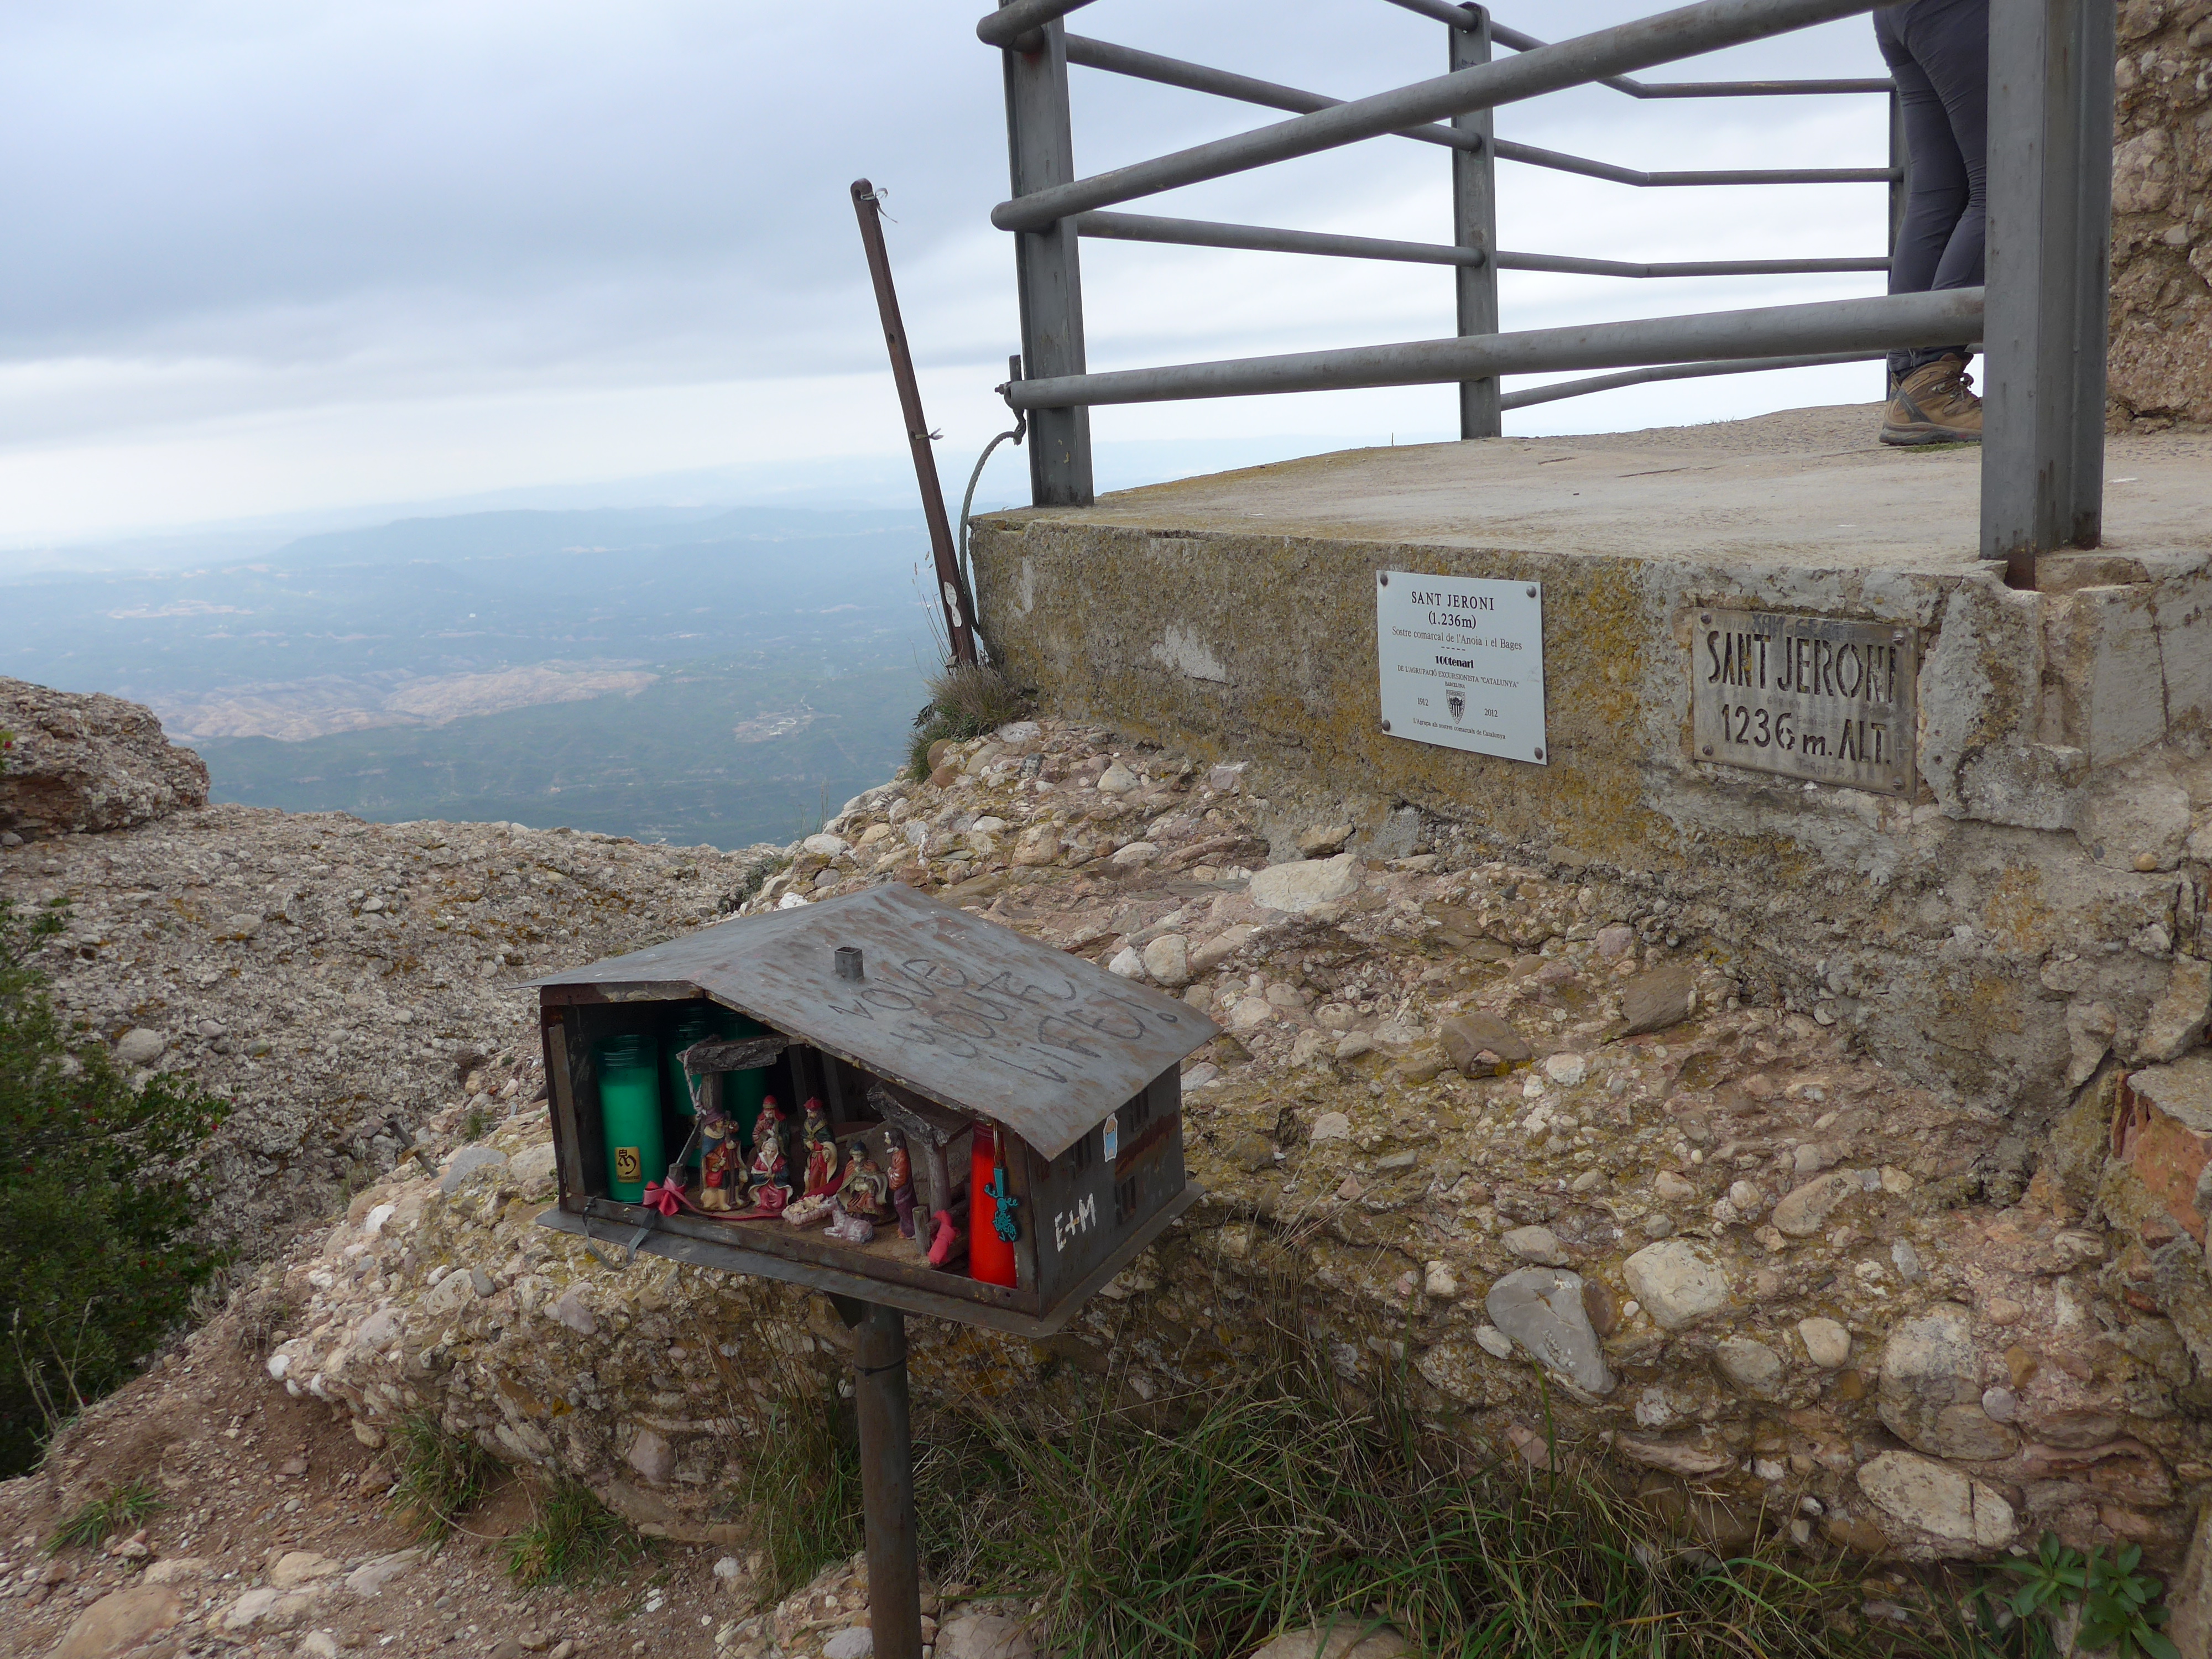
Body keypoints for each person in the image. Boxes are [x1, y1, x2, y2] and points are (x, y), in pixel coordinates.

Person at [1873, 0, 1988, 446]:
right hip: (1954, 11)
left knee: (1939, 192)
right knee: (2000, 188)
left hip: (1896, 13)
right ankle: (1931, 385)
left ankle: (1911, 378)